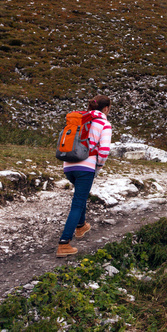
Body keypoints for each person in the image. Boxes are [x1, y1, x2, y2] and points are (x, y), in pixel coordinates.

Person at [56, 95, 112, 258]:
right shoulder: (104, 123)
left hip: (68, 165)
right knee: (78, 203)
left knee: (80, 197)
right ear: (106, 109)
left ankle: (81, 226)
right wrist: (98, 167)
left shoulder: (79, 119)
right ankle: (64, 243)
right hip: (85, 167)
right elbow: (104, 151)